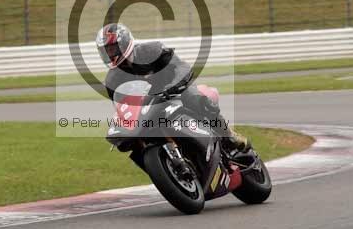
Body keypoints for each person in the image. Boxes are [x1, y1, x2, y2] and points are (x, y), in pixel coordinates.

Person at [96, 23, 249, 153]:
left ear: (124, 43)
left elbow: (180, 67)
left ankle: (229, 135)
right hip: (148, 105)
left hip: (175, 90)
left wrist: (174, 86)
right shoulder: (112, 80)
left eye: (112, 49)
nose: (110, 55)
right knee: (134, 140)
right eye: (106, 51)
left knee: (198, 100)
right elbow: (122, 107)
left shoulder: (152, 50)